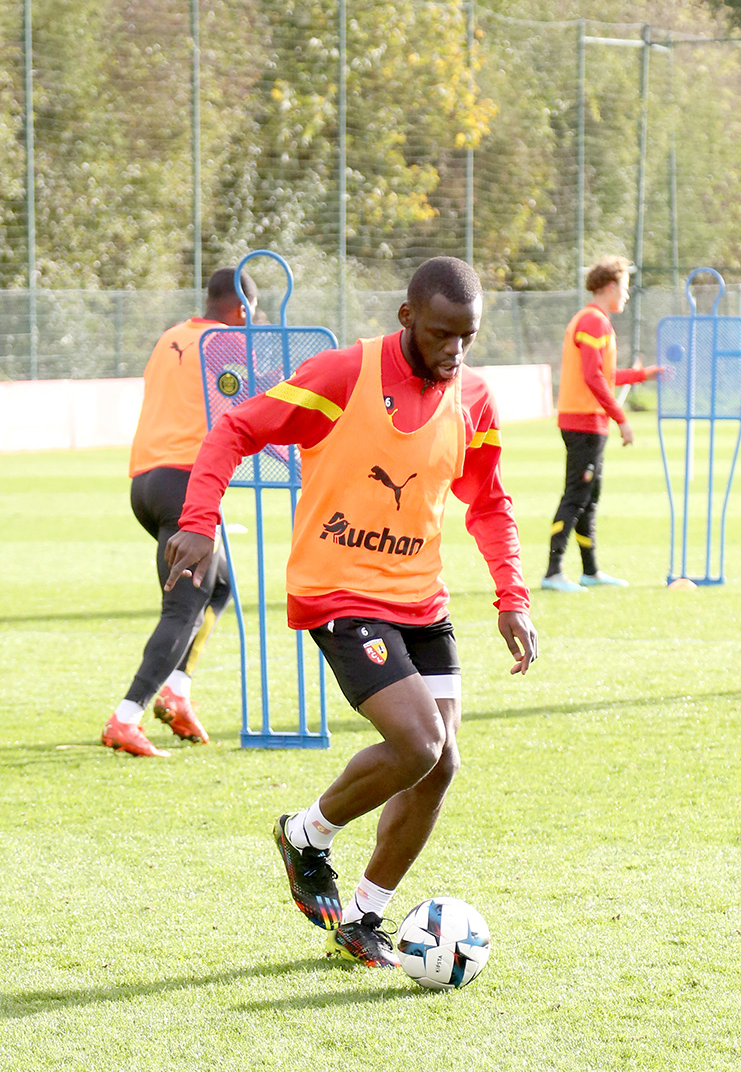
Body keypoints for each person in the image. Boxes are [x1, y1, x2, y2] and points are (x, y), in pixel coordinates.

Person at [165, 256, 539, 969]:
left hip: (421, 598)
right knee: (418, 743)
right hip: (340, 592)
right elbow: (235, 429)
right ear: (406, 319)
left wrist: (512, 596)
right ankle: (307, 834)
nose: (454, 351)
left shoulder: (474, 400)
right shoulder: (344, 375)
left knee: (441, 765)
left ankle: (363, 917)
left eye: (468, 337)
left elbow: (489, 501)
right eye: (440, 335)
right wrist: (199, 519)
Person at [101, 267, 257, 757]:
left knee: (220, 585)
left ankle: (178, 692)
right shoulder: (227, 345)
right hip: (188, 485)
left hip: (146, 483)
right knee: (182, 608)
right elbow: (251, 405)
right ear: (242, 310)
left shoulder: (172, 335)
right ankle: (127, 717)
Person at [541, 255, 663, 592]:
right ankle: (553, 572)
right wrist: (621, 419)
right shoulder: (593, 321)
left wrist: (641, 375)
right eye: (624, 288)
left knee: (589, 497)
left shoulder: (597, 321)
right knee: (576, 496)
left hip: (590, 423)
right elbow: (593, 376)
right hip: (583, 423)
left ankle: (590, 572)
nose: (626, 295)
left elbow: (605, 376)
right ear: (610, 287)